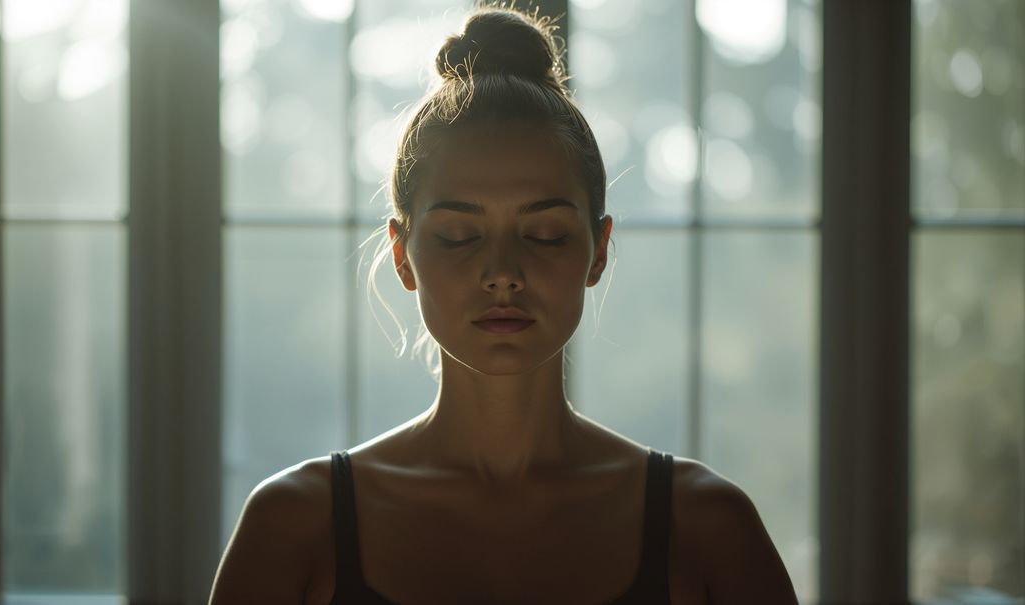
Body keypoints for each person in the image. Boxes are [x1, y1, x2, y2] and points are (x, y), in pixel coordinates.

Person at [209, 5, 797, 604]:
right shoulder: (293, 529)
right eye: (458, 236)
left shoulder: (708, 529)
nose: (502, 274)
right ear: (402, 256)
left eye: (544, 234)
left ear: (598, 252)